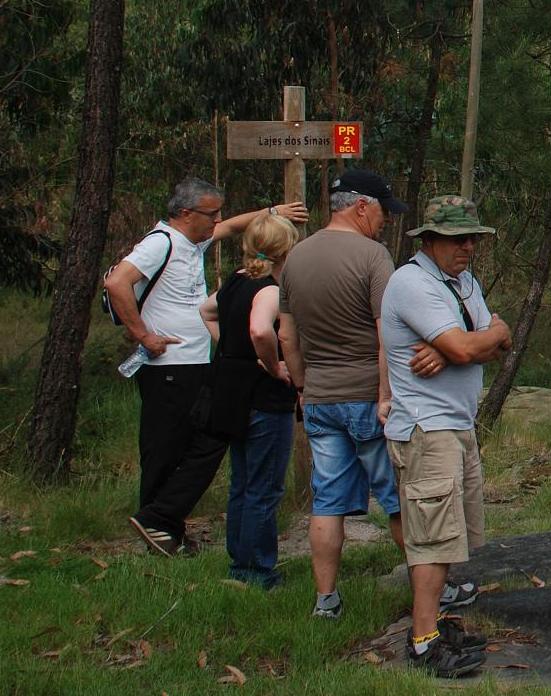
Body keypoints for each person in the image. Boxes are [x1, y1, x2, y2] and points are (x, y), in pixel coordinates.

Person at [105, 177, 307, 556]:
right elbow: (118, 283)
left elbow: (231, 227)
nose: (218, 222)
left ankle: (165, 526)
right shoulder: (159, 243)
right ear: (185, 213)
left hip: (195, 362)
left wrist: (272, 213)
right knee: (175, 445)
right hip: (170, 364)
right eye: (210, 214)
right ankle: (158, 523)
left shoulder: (191, 241)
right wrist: (145, 336)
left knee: (189, 443)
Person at [281, 170, 440, 619]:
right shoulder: (373, 257)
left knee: (327, 501)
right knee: (396, 498)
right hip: (368, 397)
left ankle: (325, 600)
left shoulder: (296, 256)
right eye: (384, 210)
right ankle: (430, 592)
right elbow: (386, 333)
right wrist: (387, 394)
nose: (386, 220)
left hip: (319, 396)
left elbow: (287, 336)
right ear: (361, 206)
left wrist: (301, 386)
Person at [379, 195, 512, 678]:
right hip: (427, 427)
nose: (469, 246)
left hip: (456, 423)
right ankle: (423, 640)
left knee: (453, 534)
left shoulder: (462, 282)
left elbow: (502, 337)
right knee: (432, 538)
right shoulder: (412, 283)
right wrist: (463, 345)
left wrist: (467, 346)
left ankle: (435, 622)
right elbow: (466, 342)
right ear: (429, 240)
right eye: (458, 238)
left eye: (473, 237)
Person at [199, 212, 301, 587]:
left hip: (231, 393)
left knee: (242, 482)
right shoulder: (271, 290)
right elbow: (261, 328)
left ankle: (239, 564)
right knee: (264, 485)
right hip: (263, 398)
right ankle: (258, 569)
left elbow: (206, 311)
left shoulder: (237, 283)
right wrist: (275, 367)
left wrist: (228, 347)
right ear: (284, 250)